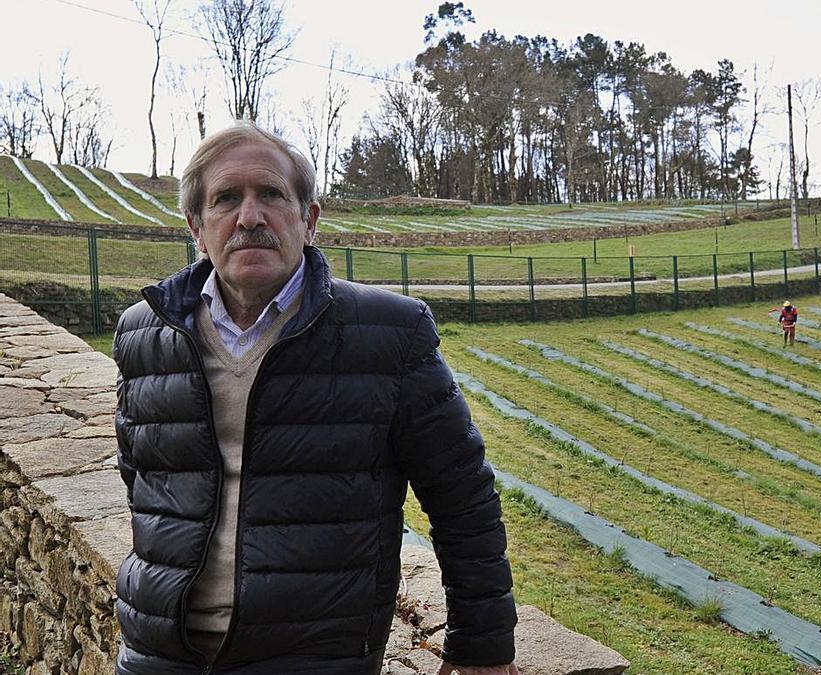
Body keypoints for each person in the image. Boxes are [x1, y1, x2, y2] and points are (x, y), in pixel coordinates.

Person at [112, 121, 518, 675]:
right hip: (160, 656)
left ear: (309, 220)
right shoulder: (143, 333)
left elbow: (462, 499)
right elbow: (145, 480)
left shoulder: (390, 333)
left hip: (313, 658)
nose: (250, 217)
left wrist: (482, 649)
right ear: (197, 228)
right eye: (226, 199)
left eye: (272, 195)